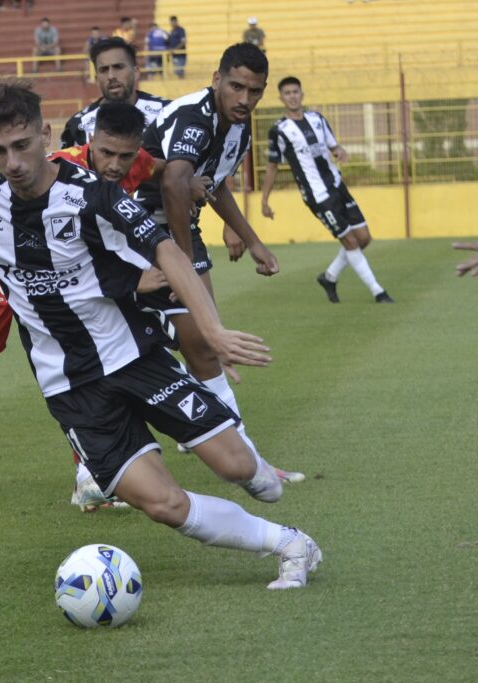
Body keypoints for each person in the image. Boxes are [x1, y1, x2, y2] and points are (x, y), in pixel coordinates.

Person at [0, 79, 322, 591]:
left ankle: (255, 476)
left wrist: (211, 330)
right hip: (72, 388)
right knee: (164, 505)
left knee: (242, 469)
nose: (11, 162)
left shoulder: (92, 195)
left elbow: (167, 250)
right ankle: (290, 544)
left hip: (134, 358)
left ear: (45, 134)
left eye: (21, 146)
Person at [140, 44, 304, 487]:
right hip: (133, 227)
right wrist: (183, 261)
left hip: (175, 230)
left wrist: (252, 240)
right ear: (217, 79)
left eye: (253, 91)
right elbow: (175, 181)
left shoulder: (238, 127)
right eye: (235, 87)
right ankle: (240, 453)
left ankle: (238, 449)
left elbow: (213, 185)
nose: (243, 99)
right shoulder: (195, 116)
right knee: (190, 341)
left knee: (205, 346)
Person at [261, 76, 394, 303]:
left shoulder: (318, 119)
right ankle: (378, 292)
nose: (292, 96)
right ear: (281, 98)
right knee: (350, 241)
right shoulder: (279, 130)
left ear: (301, 95)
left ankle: (329, 277)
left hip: (336, 185)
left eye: (295, 92)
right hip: (318, 195)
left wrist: (340, 151)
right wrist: (264, 200)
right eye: (287, 93)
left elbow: (333, 146)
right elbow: (272, 166)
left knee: (363, 238)